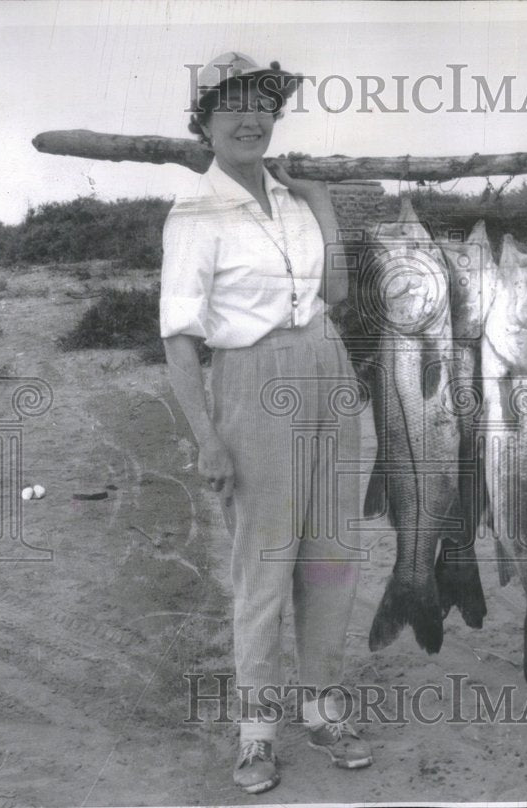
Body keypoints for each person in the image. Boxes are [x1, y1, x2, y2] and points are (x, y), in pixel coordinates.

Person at [159, 51, 373, 794]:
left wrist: (322, 202)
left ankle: (322, 705)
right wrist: (206, 436)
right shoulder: (195, 212)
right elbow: (180, 337)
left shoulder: (288, 196)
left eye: (263, 105)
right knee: (265, 562)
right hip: (252, 379)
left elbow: (335, 293)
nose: (252, 119)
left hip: (327, 366)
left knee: (333, 549)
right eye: (234, 107)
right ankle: (256, 733)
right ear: (206, 124)